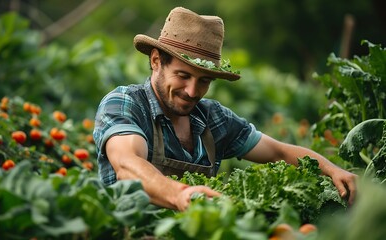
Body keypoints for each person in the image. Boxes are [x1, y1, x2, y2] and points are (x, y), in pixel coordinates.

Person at [93, 7, 357, 211]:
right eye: (183, 76)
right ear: (155, 61)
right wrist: (179, 194)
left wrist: (332, 169)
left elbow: (279, 151)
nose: (193, 91)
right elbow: (128, 165)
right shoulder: (126, 104)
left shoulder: (212, 119)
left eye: (204, 81)